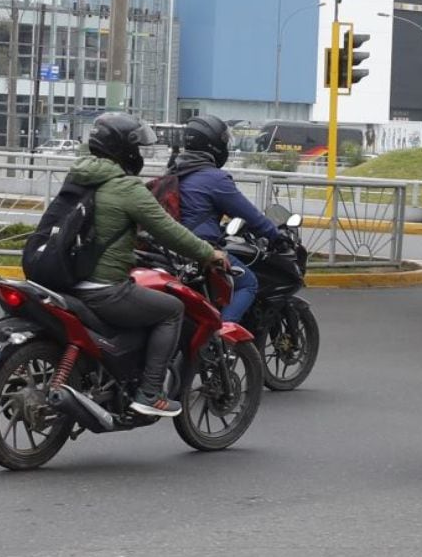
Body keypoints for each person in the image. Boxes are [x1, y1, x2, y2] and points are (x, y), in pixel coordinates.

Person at [40, 113, 227, 418]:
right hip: (102, 289)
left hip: (65, 279)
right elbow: (168, 230)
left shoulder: (81, 174)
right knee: (171, 310)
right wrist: (209, 253)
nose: (139, 154)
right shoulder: (125, 187)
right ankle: (150, 393)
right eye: (137, 148)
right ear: (122, 149)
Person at [164, 114, 280, 323]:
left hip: (171, 252)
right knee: (248, 283)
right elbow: (250, 216)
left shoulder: (174, 170)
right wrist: (276, 235)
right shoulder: (214, 178)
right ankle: (223, 340)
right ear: (213, 144)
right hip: (199, 251)